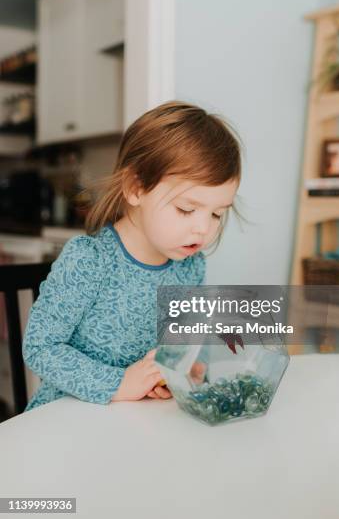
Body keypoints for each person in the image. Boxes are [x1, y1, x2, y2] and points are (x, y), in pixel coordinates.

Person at [22, 101, 242, 411]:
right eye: (186, 210)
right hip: (70, 416)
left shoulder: (191, 267)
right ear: (136, 188)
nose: (203, 229)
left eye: (218, 214)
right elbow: (40, 348)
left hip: (137, 420)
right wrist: (119, 383)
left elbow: (187, 344)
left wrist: (188, 368)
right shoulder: (89, 260)